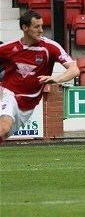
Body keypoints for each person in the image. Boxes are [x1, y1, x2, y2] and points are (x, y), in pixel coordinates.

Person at [0, 10, 80, 143]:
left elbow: (74, 69)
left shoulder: (50, 47)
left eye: (41, 26)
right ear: (25, 28)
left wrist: (57, 78)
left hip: (28, 105)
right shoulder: (9, 48)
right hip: (10, 95)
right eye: (36, 27)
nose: (41, 30)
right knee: (3, 128)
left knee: (4, 133)